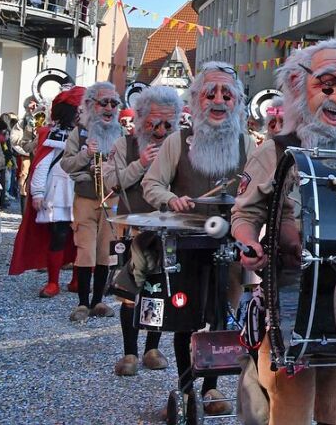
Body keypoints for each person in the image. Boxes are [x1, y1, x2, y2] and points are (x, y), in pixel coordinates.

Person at [233, 39, 336, 425]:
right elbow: (245, 214)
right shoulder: (275, 152)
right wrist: (248, 243)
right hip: (289, 295)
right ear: (299, 88)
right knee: (290, 409)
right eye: (327, 86)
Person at [142, 62, 253, 416]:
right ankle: (186, 388)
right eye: (210, 93)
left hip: (230, 246)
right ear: (196, 100)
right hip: (186, 243)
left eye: (226, 94)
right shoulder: (178, 141)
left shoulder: (246, 142)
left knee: (222, 318)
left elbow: (260, 187)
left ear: (237, 102)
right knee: (185, 321)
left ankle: (211, 389)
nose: (218, 101)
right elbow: (151, 185)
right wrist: (170, 199)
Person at [103, 85, 181, 377]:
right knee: (128, 292)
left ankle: (151, 348)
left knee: (156, 291)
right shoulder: (124, 145)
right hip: (132, 228)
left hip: (165, 231)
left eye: (167, 124)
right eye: (153, 124)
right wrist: (141, 164)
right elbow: (111, 182)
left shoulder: (179, 146)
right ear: (141, 119)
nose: (160, 131)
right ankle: (129, 352)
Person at [60, 82, 124, 322]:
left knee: (106, 251)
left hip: (112, 198)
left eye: (113, 103)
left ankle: (99, 300)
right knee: (85, 249)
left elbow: (128, 166)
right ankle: (82, 303)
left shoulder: (121, 134)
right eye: (103, 102)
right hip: (86, 198)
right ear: (91, 105)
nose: (109, 107)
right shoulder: (80, 132)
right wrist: (86, 156)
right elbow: (66, 164)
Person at [26, 89, 83, 296]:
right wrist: (38, 192)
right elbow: (42, 163)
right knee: (58, 235)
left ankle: (78, 280)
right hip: (58, 191)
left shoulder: (91, 132)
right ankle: (53, 282)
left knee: (81, 238)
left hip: (82, 190)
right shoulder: (53, 133)